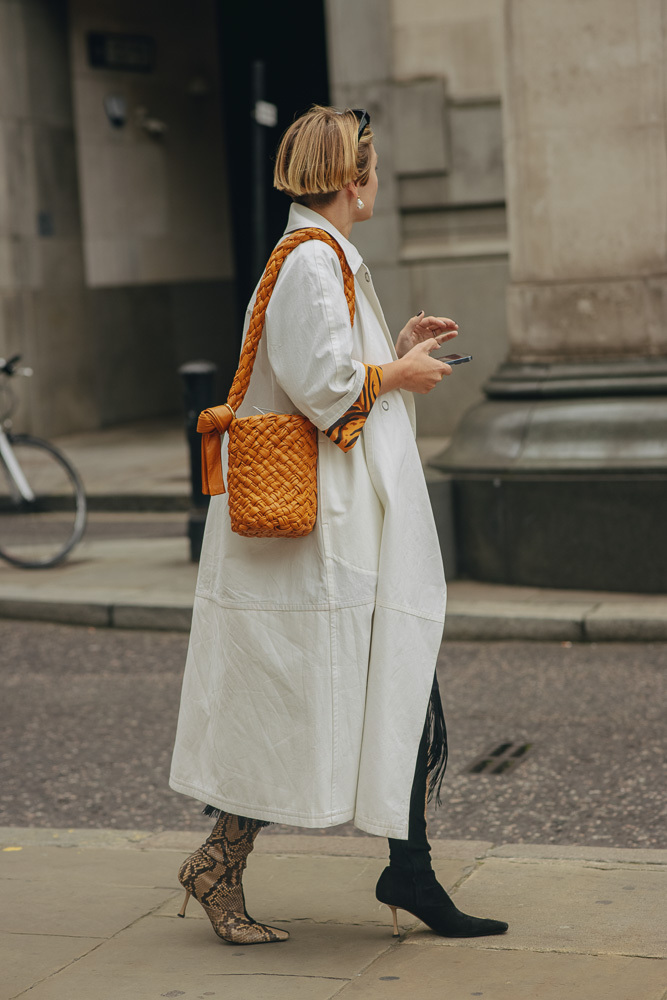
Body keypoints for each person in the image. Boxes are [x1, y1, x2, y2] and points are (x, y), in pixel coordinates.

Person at [169, 105, 507, 945]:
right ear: (352, 179)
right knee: (303, 703)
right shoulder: (312, 263)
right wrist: (396, 370)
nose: (379, 177)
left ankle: (410, 868)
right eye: (373, 164)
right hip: (317, 535)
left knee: (381, 687)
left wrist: (395, 349)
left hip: (339, 527)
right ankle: (222, 863)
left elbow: (322, 371)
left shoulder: (321, 260)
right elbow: (324, 389)